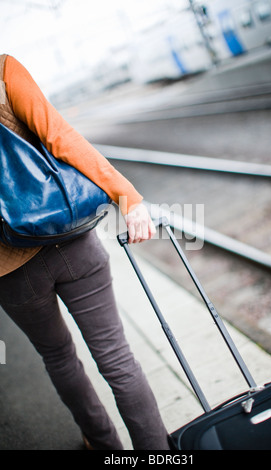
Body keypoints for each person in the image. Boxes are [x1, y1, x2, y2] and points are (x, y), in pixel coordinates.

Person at [0, 54, 170, 450]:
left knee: (58, 358)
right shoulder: (4, 70)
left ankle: (102, 445)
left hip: (11, 270)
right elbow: (60, 136)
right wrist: (127, 197)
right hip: (69, 238)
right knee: (116, 356)